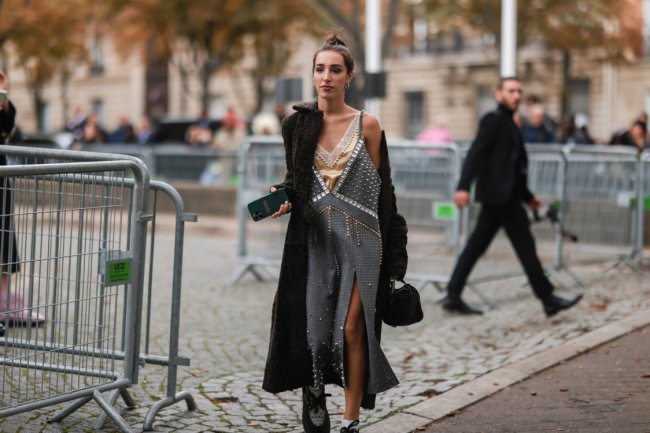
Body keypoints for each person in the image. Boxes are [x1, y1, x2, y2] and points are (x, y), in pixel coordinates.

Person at [262, 33, 408, 433]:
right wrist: (284, 196)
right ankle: (314, 392)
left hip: (363, 242)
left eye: (335, 70)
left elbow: (386, 193)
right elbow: (295, 180)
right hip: (315, 242)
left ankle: (350, 420)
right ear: (312, 75)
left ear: (349, 77)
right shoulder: (296, 125)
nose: (326, 76)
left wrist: (396, 257)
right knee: (315, 333)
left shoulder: (368, 125)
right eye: (320, 69)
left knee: (352, 329)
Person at [440, 77, 583, 317]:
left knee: (476, 246)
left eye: (519, 91)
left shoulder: (510, 123)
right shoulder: (493, 120)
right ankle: (548, 299)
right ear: (499, 94)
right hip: (501, 199)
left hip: (503, 198)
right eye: (511, 91)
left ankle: (453, 294)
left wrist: (528, 197)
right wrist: (463, 187)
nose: (516, 95)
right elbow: (476, 153)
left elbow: (514, 167)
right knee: (526, 249)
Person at [0, 70, 45, 337]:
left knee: (4, 242)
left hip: (0, 180)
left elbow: (5, 131)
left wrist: (2, 94)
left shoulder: (4, 103)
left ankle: (4, 305)